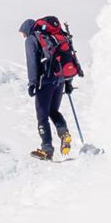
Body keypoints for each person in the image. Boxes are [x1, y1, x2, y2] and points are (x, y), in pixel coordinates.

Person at [20, 18, 73, 160]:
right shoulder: (53, 38)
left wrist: (32, 83)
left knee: (42, 116)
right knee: (53, 111)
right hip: (60, 79)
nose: (23, 36)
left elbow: (32, 62)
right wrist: (68, 82)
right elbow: (65, 58)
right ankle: (64, 134)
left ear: (27, 30)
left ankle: (47, 149)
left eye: (23, 33)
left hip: (46, 81)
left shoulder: (32, 39)